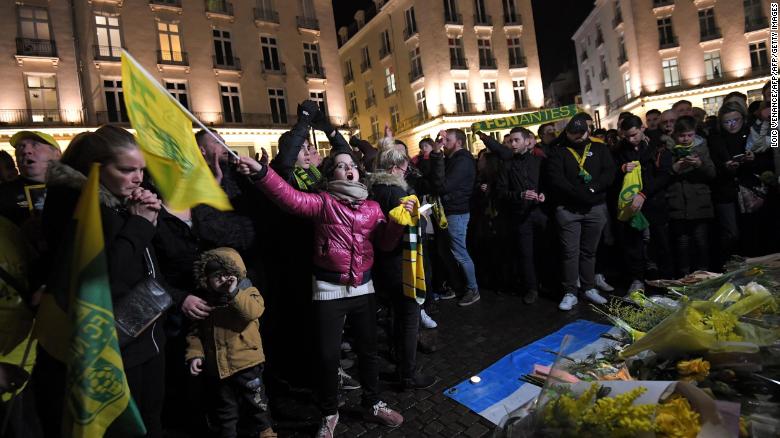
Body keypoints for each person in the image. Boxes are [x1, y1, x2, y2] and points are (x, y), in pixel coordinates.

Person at [237, 149, 407, 438]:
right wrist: (261, 172)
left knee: (368, 352)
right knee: (328, 356)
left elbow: (387, 246)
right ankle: (329, 413)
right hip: (329, 290)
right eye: (341, 166)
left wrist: (397, 223)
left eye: (352, 164)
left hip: (364, 288)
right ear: (332, 175)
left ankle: (372, 403)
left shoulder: (373, 207)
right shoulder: (323, 203)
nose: (349, 169)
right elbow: (289, 198)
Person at [38, 125, 166, 437]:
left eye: (141, 170)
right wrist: (137, 223)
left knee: (151, 420)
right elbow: (100, 276)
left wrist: (146, 216)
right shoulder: (78, 209)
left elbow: (143, 259)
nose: (138, 179)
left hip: (145, 335)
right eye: (126, 170)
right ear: (94, 169)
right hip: (111, 343)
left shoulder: (120, 200)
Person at [186, 248, 276, 438]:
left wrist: (234, 292)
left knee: (257, 405)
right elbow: (195, 333)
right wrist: (195, 354)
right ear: (206, 279)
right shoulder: (204, 302)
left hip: (247, 364)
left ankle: (265, 432)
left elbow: (252, 312)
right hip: (218, 369)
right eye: (216, 276)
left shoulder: (248, 292)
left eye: (227, 274)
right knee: (225, 411)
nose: (222, 279)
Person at [369, 147, 437, 389]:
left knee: (395, 316)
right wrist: (421, 218)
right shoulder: (396, 192)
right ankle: (407, 374)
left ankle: (400, 363)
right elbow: (404, 230)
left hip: (383, 267)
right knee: (409, 320)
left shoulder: (374, 188)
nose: (407, 171)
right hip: (401, 265)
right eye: (403, 167)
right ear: (393, 168)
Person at [545, 113, 615, 311]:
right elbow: (555, 179)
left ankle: (589, 287)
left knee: (589, 251)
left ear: (588, 131)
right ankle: (570, 292)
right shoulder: (559, 152)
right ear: (567, 133)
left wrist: (593, 189)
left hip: (595, 208)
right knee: (570, 252)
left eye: (582, 132)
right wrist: (579, 193)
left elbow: (609, 172)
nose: (578, 137)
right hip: (568, 210)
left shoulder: (600, 148)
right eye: (573, 133)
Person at [486, 128, 547, 304]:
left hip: (540, 212)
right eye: (510, 141)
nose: (512, 144)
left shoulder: (539, 161)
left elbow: (547, 184)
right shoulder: (507, 165)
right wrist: (520, 195)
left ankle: (547, 282)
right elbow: (501, 192)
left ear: (527, 141)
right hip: (520, 215)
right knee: (525, 253)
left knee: (545, 249)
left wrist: (544, 195)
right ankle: (531, 288)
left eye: (516, 140)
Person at [613, 115, 673, 291]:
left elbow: (664, 175)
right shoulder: (619, 150)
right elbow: (611, 174)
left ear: (642, 129)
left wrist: (644, 193)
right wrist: (621, 169)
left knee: (661, 242)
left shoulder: (658, 147)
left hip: (654, 202)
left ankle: (665, 281)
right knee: (634, 244)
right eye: (626, 136)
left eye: (634, 135)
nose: (631, 140)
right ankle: (637, 280)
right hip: (631, 204)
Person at [433, 128, 480, 306]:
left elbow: (443, 186)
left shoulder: (463, 161)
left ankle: (473, 289)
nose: (443, 143)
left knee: (460, 253)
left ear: (459, 142)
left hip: (456, 212)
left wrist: (437, 154)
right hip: (449, 211)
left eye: (447, 140)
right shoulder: (453, 159)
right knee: (447, 251)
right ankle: (458, 286)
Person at [667, 116, 716, 276]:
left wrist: (699, 165)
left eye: (690, 135)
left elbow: (712, 173)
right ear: (675, 135)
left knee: (701, 241)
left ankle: (703, 275)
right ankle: (684, 277)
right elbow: (663, 176)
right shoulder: (669, 149)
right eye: (682, 136)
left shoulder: (702, 148)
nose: (686, 139)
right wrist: (674, 168)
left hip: (699, 202)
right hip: (678, 204)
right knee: (682, 244)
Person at [0, 131, 61, 226]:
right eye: (21, 146)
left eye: (35, 145)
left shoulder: (77, 188)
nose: (25, 151)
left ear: (57, 154)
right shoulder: (3, 193)